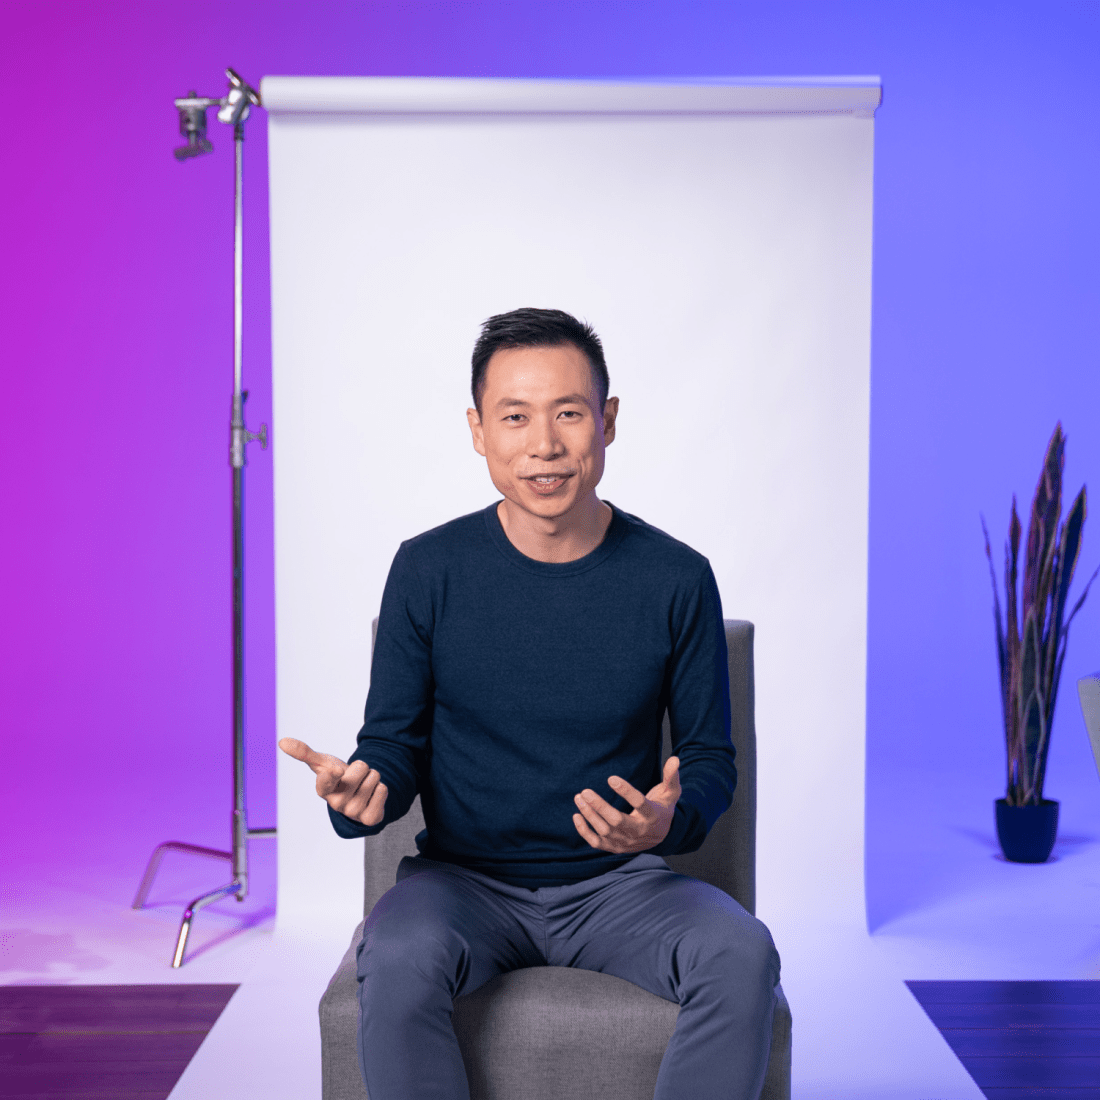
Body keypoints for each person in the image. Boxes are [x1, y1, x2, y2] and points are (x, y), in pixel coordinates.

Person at [280, 307, 780, 1100]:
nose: (543, 444)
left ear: (607, 423)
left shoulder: (676, 577)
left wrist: (665, 821)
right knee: (398, 954)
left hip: (620, 886)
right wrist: (363, 793)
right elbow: (392, 748)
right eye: (515, 417)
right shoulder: (428, 570)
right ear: (479, 430)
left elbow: (710, 761)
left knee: (742, 951)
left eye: (569, 413)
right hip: (461, 884)